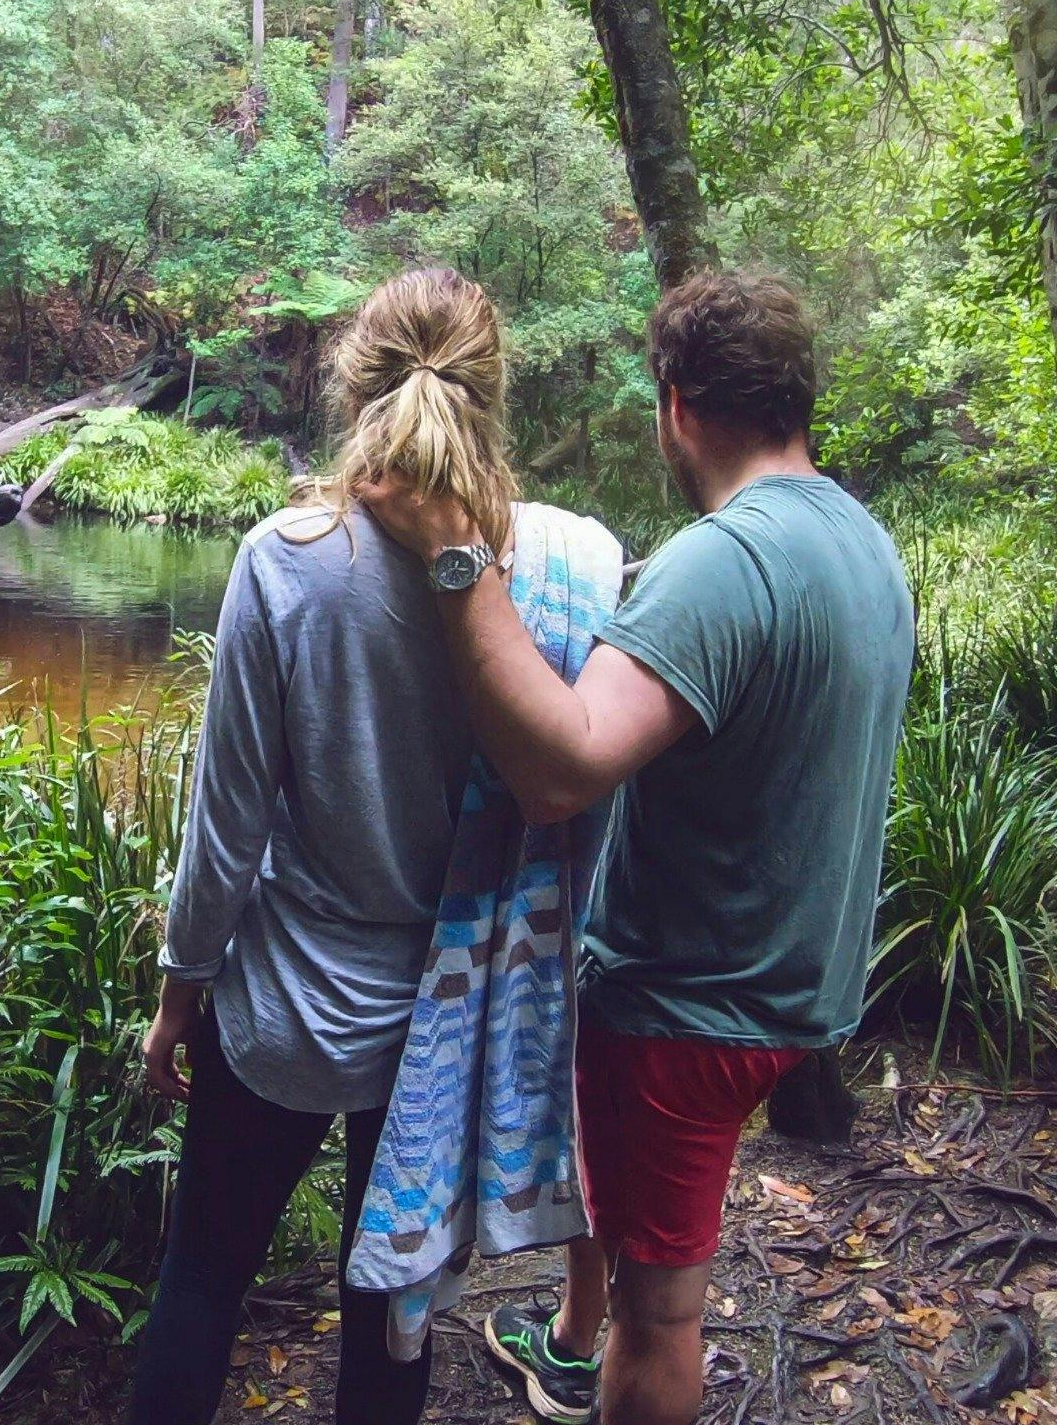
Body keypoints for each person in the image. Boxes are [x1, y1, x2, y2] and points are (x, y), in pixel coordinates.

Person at [360, 269, 915, 1425]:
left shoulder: (720, 565)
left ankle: (595, 1363)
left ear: (675, 404)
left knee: (660, 1317)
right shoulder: (860, 541)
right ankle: (566, 1338)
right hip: (794, 990)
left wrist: (458, 555)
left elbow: (560, 769)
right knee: (641, 1260)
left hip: (687, 1014)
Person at [124, 267, 619, 1425]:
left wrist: (178, 992)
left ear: (352, 388)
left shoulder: (286, 557)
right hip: (449, 1023)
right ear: (492, 395)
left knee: (201, 1278)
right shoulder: (557, 565)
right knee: (388, 1318)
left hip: (291, 1005)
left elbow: (227, 821)